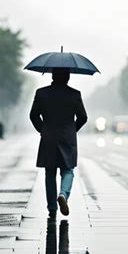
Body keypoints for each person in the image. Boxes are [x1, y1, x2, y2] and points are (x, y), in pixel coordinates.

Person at [29, 68, 88, 218]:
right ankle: (63, 194)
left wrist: (43, 129)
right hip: (68, 136)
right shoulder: (75, 94)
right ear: (68, 77)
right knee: (68, 170)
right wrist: (72, 129)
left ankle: (52, 208)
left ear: (53, 76)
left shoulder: (41, 93)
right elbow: (83, 117)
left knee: (50, 172)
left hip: (48, 136)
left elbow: (33, 115)